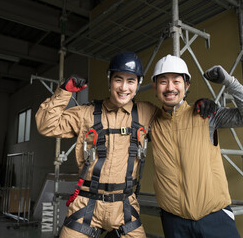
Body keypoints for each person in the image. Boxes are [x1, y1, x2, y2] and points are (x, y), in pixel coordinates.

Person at [35, 52, 213, 238]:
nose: (124, 87)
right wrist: (64, 91)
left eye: (131, 81)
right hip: (86, 205)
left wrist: (196, 106)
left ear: (137, 85)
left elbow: (174, 118)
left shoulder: (146, 112)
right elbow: (46, 125)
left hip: (125, 208)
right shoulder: (85, 113)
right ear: (110, 81)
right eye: (118, 80)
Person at [150, 54, 243, 238]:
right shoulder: (151, 123)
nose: (170, 87)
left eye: (176, 81)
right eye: (163, 81)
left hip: (215, 218)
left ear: (186, 86)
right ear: (155, 87)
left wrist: (229, 82)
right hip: (174, 221)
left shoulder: (206, 114)